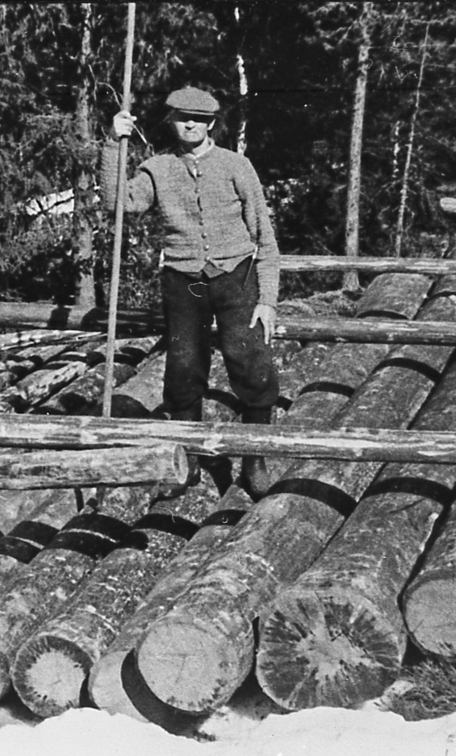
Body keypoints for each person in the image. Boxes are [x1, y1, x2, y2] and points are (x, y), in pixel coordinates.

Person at [100, 86, 281, 497]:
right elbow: (118, 203)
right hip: (183, 281)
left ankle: (255, 458)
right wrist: (114, 143)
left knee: (252, 365)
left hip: (237, 277)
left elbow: (265, 241)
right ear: (172, 121)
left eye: (199, 119)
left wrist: (267, 301)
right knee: (183, 369)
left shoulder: (237, 166)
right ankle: (189, 460)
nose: (191, 125)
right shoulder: (157, 168)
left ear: (212, 123)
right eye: (183, 117)